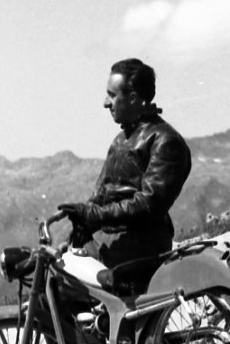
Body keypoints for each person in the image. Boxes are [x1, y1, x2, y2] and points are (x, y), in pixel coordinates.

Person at [58, 58, 192, 268]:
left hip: (140, 248)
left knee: (69, 288)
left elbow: (150, 204)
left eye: (112, 95)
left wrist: (96, 215)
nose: (105, 103)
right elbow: (99, 196)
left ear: (132, 99)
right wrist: (77, 229)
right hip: (111, 242)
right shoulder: (120, 140)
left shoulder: (165, 140)